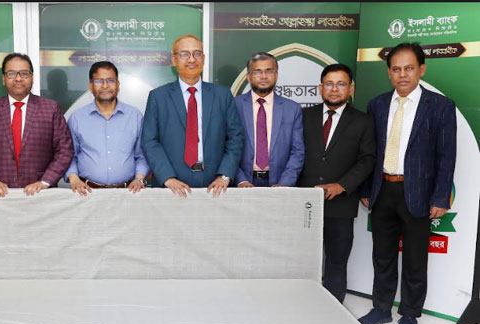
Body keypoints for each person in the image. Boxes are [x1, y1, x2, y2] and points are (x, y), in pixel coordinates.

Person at [358, 42, 457, 324]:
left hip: (418, 195)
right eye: (396, 69)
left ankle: (410, 314)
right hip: (382, 190)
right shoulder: (376, 105)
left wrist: (440, 197)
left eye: (409, 68)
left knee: (415, 259)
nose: (402, 74)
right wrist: (367, 188)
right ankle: (381, 308)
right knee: (382, 255)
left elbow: (446, 156)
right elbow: (369, 153)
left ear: (421, 69)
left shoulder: (440, 106)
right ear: (389, 73)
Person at [297, 64, 375, 303]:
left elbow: (367, 159)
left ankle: (333, 310)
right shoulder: (303, 116)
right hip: (304, 204)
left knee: (337, 263)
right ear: (320, 87)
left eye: (341, 84)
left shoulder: (364, 121)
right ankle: (300, 305)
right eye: (329, 84)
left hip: (341, 204)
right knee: (301, 261)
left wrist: (341, 186)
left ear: (350, 89)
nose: (334, 89)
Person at [141, 34, 244, 198]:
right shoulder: (158, 97)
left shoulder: (222, 96)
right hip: (171, 187)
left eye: (197, 54)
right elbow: (150, 141)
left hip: (216, 186)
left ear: (203, 59)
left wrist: (225, 175)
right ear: (174, 60)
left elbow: (235, 138)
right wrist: (167, 177)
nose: (191, 59)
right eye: (184, 54)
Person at [0, 53, 73, 197]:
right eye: (11, 73)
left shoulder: (51, 108)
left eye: (24, 73)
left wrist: (45, 181)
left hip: (40, 194)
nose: (18, 78)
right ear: (3, 79)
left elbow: (65, 150)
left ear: (32, 77)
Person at [65, 61, 149, 195]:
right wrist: (73, 178)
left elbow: (142, 155)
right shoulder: (77, 118)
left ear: (118, 85)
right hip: (86, 193)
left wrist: (139, 179)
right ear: (91, 86)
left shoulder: (135, 116)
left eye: (110, 80)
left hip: (128, 193)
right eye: (99, 81)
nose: (105, 86)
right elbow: (69, 155)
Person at [234, 52, 305, 188]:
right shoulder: (234, 105)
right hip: (242, 184)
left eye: (269, 71)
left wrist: (284, 183)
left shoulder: (292, 109)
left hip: (279, 184)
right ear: (248, 77)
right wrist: (240, 180)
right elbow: (226, 147)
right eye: (257, 72)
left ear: (276, 75)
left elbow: (297, 151)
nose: (264, 76)